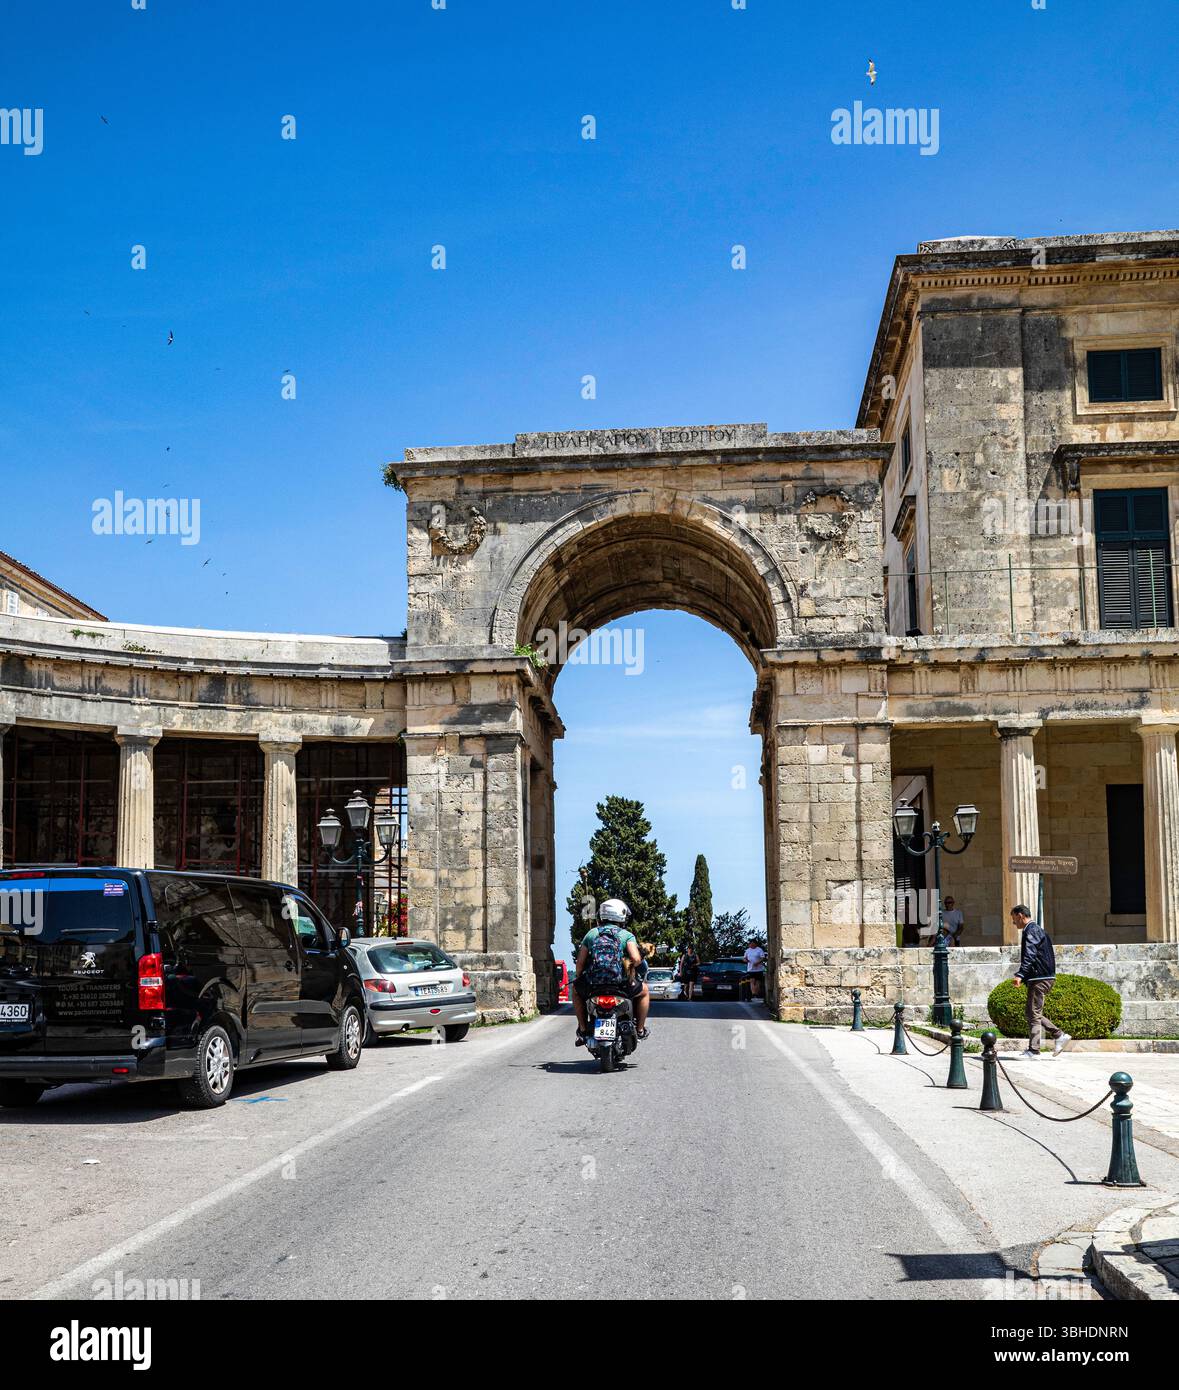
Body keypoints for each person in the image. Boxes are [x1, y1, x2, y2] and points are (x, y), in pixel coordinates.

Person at [572, 898, 650, 1046]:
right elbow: (636, 958)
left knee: (575, 990)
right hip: (619, 984)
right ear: (621, 916)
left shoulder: (591, 934)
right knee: (645, 991)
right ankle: (640, 1030)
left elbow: (580, 963)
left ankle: (582, 1030)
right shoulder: (626, 935)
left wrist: (579, 977)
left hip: (594, 984)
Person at [1011, 903, 1071, 1060]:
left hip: (1039, 977)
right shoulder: (1036, 930)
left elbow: (1030, 954)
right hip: (1044, 976)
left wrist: (1020, 974)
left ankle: (1034, 1050)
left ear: (1020, 915)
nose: (1013, 922)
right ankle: (1058, 1035)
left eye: (1014, 919)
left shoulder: (1031, 930)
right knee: (1032, 1013)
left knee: (1033, 1013)